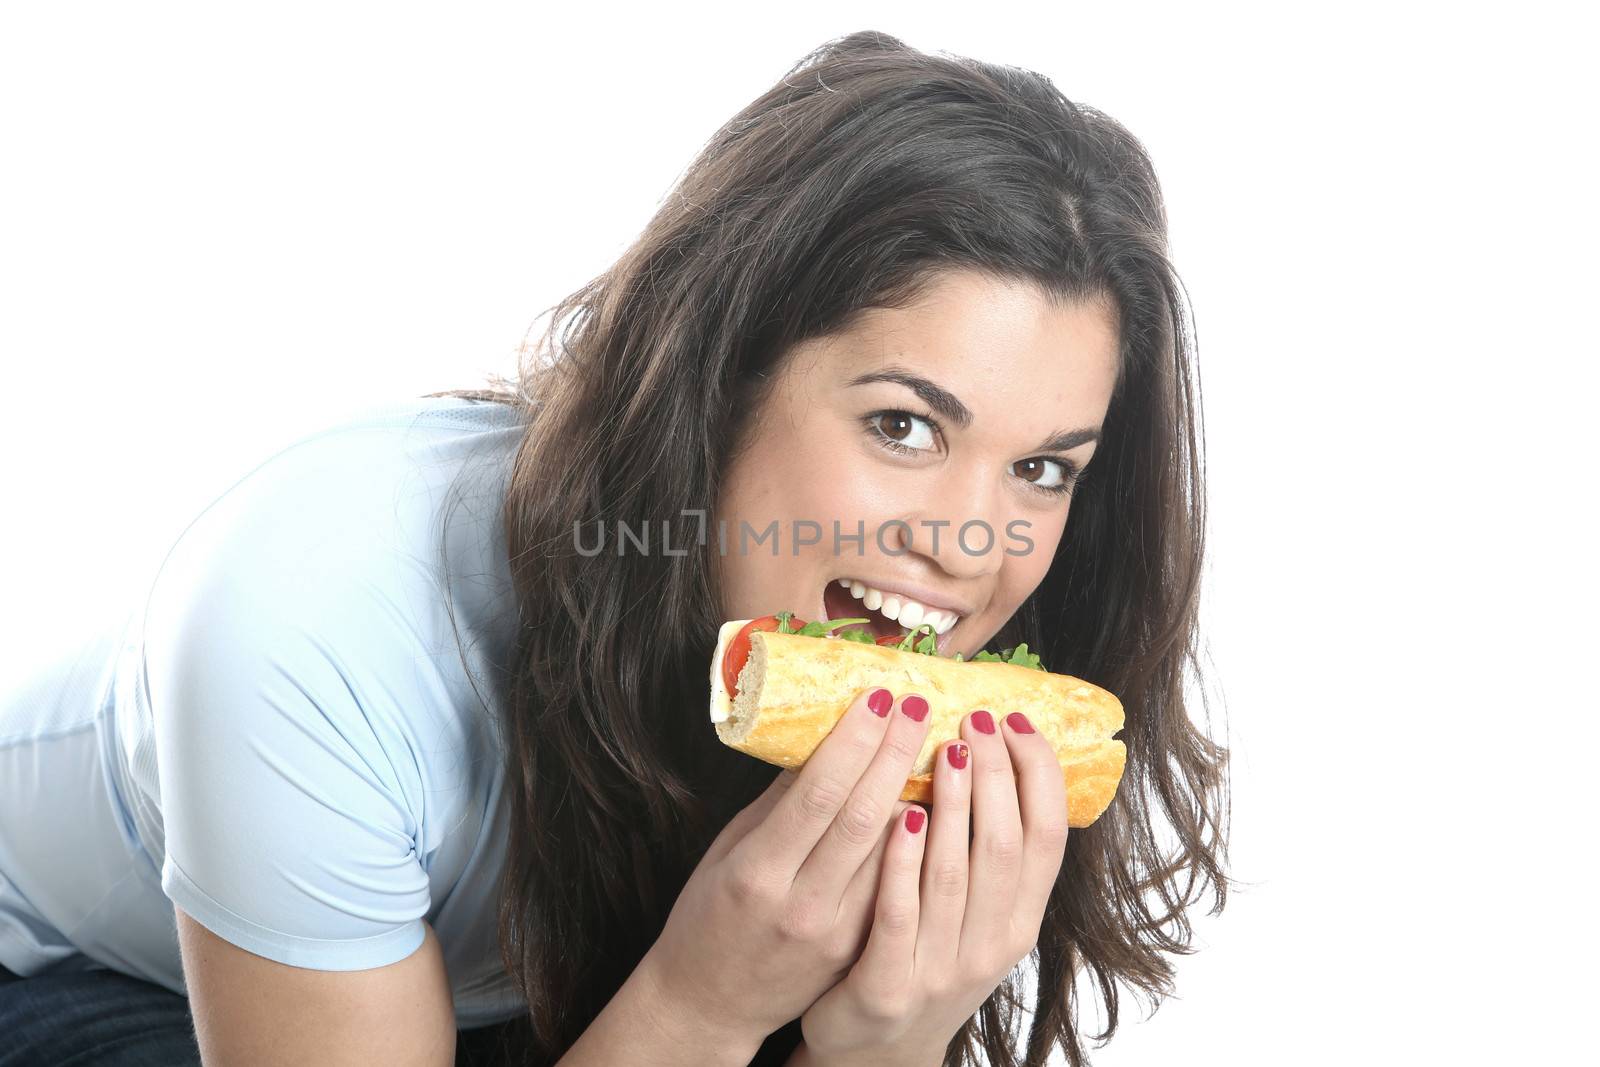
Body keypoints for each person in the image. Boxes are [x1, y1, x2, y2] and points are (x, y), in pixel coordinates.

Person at [0, 29, 1229, 1067]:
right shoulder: (305, 620)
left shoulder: (795, 616)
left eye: (1041, 467)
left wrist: (878, 1047)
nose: (974, 544)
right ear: (715, 383)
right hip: (76, 981)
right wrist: (700, 1005)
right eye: (902, 424)